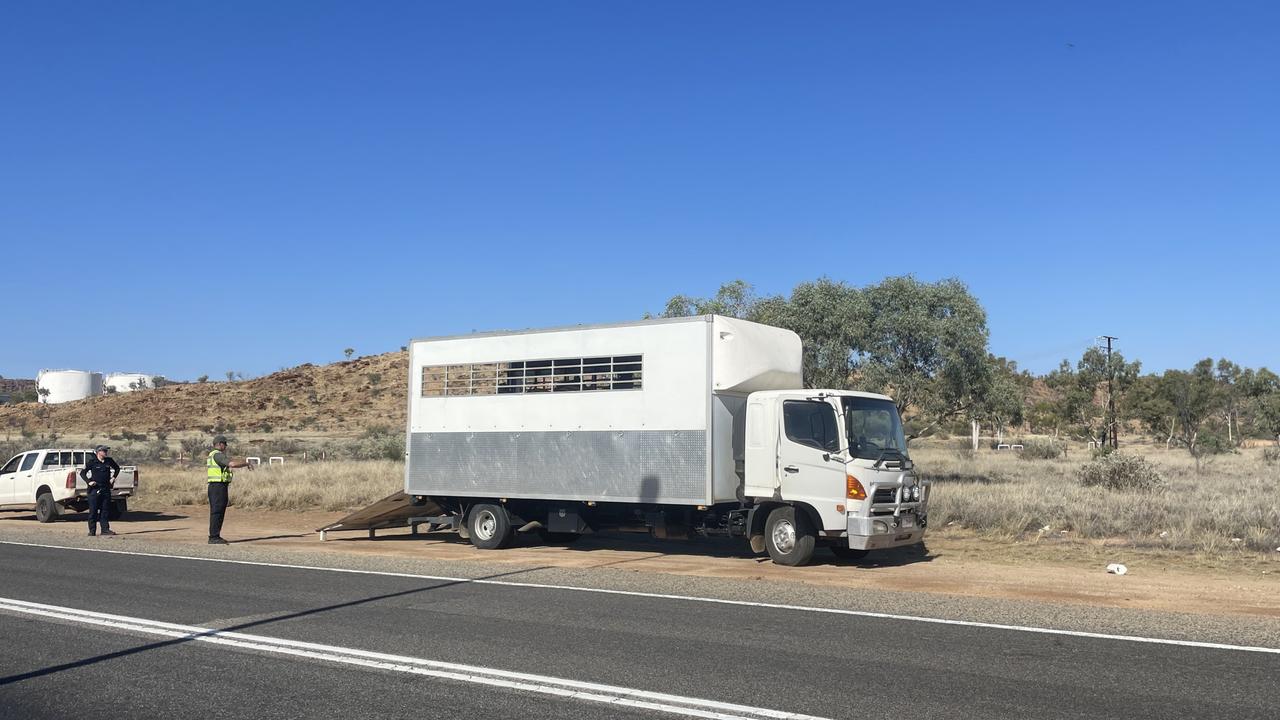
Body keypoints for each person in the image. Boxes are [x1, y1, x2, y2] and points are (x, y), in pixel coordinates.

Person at [206, 435, 252, 544]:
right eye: (225, 444)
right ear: (220, 444)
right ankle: (214, 537)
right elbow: (232, 464)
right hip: (217, 486)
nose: (226, 446)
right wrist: (246, 463)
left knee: (218, 511)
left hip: (217, 486)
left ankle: (215, 535)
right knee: (217, 511)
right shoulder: (217, 455)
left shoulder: (214, 455)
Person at [80, 445, 120, 537]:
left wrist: (113, 478)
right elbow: (82, 473)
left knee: (105, 510)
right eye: (104, 451)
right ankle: (92, 531)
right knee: (93, 511)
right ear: (98, 452)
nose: (106, 452)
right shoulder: (92, 462)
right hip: (94, 490)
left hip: (105, 488)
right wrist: (89, 482)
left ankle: (105, 530)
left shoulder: (109, 461)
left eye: (106, 451)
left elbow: (117, 468)